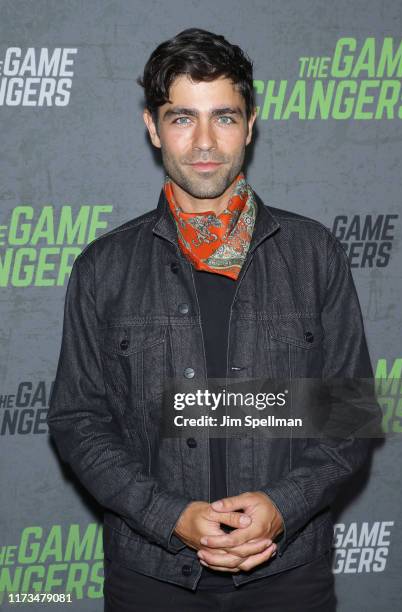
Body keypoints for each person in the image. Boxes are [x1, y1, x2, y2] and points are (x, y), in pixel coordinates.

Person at [47, 28, 380, 611]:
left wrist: (283, 507)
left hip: (290, 575)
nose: (204, 141)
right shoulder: (104, 266)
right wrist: (171, 516)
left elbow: (349, 415)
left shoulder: (314, 253)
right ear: (153, 127)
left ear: (250, 125)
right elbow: (79, 419)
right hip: (151, 577)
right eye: (182, 118)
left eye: (223, 117)